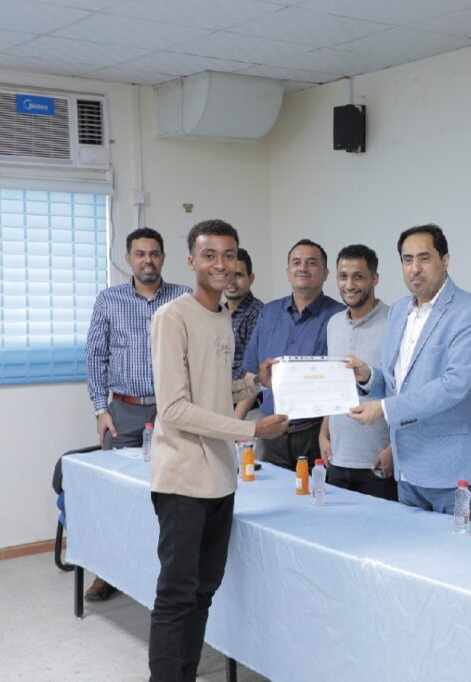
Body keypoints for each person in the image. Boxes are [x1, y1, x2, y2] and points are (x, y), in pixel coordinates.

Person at [148, 219, 288, 682]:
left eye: (229, 255)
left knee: (204, 591)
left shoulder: (223, 316)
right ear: (191, 260)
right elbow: (174, 408)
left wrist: (252, 383)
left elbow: (209, 391)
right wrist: (249, 428)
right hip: (183, 480)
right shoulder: (172, 317)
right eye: (209, 255)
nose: (221, 264)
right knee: (176, 594)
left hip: (220, 481)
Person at [349, 224, 471, 514]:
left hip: (455, 474)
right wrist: (369, 376)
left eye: (424, 258)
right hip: (407, 470)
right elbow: (399, 382)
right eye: (407, 260)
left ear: (445, 260)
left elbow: (455, 385)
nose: (415, 268)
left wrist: (384, 409)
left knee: (458, 546)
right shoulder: (398, 311)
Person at [83, 226, 190, 601]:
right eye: (140, 254)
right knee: (114, 495)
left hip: (172, 411)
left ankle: (163, 571)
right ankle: (105, 573)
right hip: (123, 412)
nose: (148, 260)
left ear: (163, 257)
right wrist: (101, 409)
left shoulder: (183, 298)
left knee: (174, 495)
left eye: (154, 253)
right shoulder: (109, 300)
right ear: (128, 258)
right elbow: (95, 356)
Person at [242, 239, 345, 469]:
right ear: (288, 272)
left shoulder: (339, 317)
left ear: (326, 273)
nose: (303, 268)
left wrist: (325, 434)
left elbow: (340, 387)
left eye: (311, 263)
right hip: (271, 432)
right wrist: (236, 425)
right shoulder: (269, 313)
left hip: (315, 434)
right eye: (296, 262)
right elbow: (252, 375)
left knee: (314, 491)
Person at [318, 245, 396, 501]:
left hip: (377, 459)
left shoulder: (396, 322)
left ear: (375, 279)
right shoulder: (333, 324)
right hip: (338, 457)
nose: (349, 284)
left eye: (358, 276)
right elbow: (333, 387)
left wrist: (393, 449)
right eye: (343, 276)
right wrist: (323, 434)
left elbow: (403, 390)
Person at [225, 248, 263, 417]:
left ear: (251, 278)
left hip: (246, 409)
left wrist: (236, 420)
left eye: (238, 275)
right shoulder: (218, 312)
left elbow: (255, 371)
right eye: (227, 275)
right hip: (219, 405)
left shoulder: (258, 314)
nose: (231, 281)